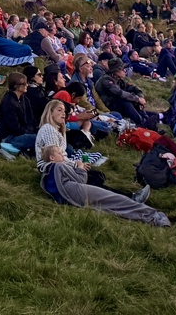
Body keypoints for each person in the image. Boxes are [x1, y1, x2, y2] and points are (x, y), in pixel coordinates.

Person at [35, 96, 169, 225]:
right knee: (93, 180)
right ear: (50, 112)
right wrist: (77, 165)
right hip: (57, 172)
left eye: (64, 111)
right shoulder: (48, 129)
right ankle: (131, 199)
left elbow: (60, 156)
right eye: (59, 110)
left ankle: (130, 198)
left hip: (62, 169)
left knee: (96, 177)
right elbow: (55, 157)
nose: (63, 113)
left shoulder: (57, 130)